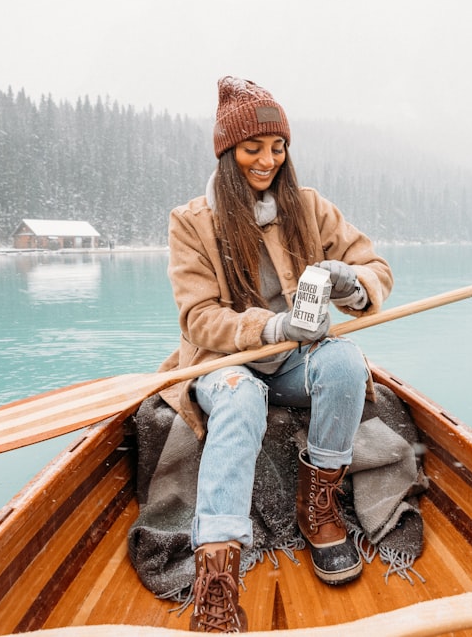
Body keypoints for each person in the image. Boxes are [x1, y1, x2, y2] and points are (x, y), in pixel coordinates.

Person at [157, 76, 393, 633]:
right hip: (223, 364)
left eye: (277, 147)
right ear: (226, 153)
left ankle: (318, 509)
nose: (267, 160)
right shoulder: (190, 222)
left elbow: (376, 268)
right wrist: (272, 325)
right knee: (239, 401)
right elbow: (198, 318)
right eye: (252, 148)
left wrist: (351, 282)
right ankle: (218, 573)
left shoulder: (308, 207)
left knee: (344, 362)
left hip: (295, 361)